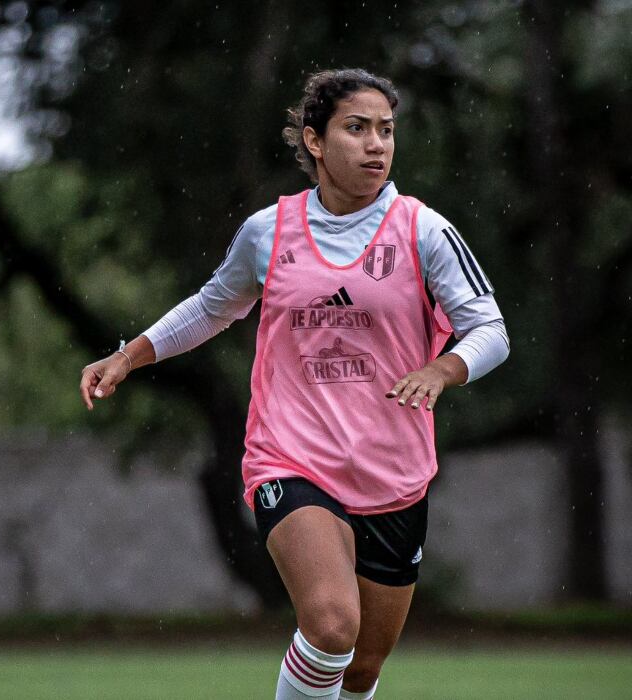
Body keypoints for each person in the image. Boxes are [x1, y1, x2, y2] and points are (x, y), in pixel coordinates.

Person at [80, 69, 509, 699]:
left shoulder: (424, 230)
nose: (376, 146)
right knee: (332, 626)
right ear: (314, 140)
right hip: (291, 459)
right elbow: (210, 308)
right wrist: (129, 357)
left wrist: (442, 368)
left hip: (392, 475)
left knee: (361, 668)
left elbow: (491, 330)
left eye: (386, 131)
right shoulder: (268, 232)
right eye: (356, 128)